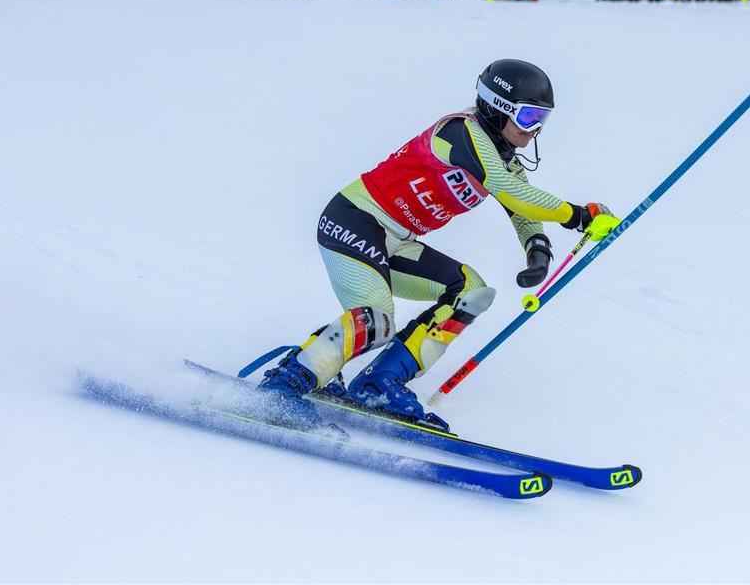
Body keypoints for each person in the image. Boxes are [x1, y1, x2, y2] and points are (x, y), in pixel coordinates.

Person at [258, 59, 618, 430]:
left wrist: (537, 250)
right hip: (354, 219)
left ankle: (380, 384)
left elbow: (521, 208)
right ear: (497, 108)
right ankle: (286, 383)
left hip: (395, 239)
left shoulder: (502, 155)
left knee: (471, 291)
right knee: (378, 321)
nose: (535, 130)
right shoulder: (461, 133)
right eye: (528, 117)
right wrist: (579, 215)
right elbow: (514, 193)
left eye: (543, 119)